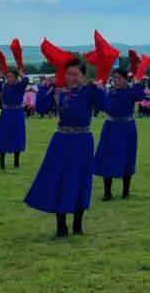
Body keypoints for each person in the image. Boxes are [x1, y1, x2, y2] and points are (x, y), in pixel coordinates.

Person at [24, 58, 104, 237]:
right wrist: (46, 86)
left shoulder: (90, 91)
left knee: (80, 180)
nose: (71, 78)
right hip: (61, 140)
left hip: (83, 141)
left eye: (75, 74)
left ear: (83, 76)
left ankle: (78, 225)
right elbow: (40, 108)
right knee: (58, 179)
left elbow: (106, 107)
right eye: (69, 74)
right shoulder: (59, 91)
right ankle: (61, 225)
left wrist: (99, 89)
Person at [93, 67, 147, 200]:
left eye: (120, 78)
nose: (116, 81)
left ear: (125, 79)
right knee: (107, 157)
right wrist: (98, 89)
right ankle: (107, 192)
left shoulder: (131, 91)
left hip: (126, 128)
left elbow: (141, 96)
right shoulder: (109, 91)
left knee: (127, 157)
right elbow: (101, 105)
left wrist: (135, 81)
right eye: (115, 78)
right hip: (110, 127)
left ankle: (126, 192)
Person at [0, 69, 29, 169]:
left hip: (17, 114)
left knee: (17, 136)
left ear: (16, 77)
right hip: (6, 113)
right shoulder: (4, 85)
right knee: (3, 135)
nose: (9, 79)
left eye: (12, 76)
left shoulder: (19, 86)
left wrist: (21, 73)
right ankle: (2, 163)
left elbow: (26, 79)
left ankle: (16, 163)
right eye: (7, 77)